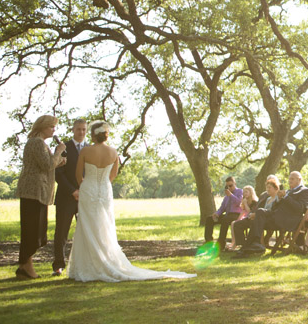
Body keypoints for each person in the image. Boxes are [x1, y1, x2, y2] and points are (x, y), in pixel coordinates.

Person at [67, 121, 195, 281]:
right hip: (105, 190)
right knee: (104, 225)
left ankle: (88, 266)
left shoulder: (86, 151)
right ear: (106, 134)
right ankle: (104, 261)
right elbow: (112, 176)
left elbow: (78, 175)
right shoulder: (113, 152)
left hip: (88, 189)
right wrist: (103, 186)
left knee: (87, 225)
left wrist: (85, 186)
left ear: (93, 134)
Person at [15, 115, 66, 279]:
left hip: (38, 192)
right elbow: (47, 165)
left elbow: (47, 164)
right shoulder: (36, 143)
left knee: (36, 230)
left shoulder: (38, 143)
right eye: (51, 127)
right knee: (33, 231)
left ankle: (23, 266)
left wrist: (58, 160)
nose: (54, 130)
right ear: (42, 127)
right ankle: (26, 266)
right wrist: (58, 152)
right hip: (33, 192)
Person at [238, 171, 308, 254]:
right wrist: (279, 199)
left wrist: (286, 197)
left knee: (259, 214)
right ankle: (252, 245)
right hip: (276, 215)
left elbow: (300, 208)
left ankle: (252, 245)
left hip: (288, 220)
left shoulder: (304, 191)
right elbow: (276, 206)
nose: (290, 181)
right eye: (289, 179)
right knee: (259, 212)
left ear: (299, 179)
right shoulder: (288, 191)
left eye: (292, 179)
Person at [52, 118, 87, 276]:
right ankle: (58, 265)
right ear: (73, 129)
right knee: (61, 232)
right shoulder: (63, 147)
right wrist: (73, 191)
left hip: (85, 198)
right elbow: (58, 173)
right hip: (66, 197)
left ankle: (86, 264)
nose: (81, 132)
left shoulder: (90, 148)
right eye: (78, 129)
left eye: (84, 129)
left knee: (87, 232)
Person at [233, 177, 281, 249]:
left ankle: (253, 244)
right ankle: (242, 245)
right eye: (267, 187)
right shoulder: (267, 198)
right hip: (259, 217)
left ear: (276, 188)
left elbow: (273, 212)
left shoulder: (278, 199)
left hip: (268, 220)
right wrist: (253, 215)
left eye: (269, 187)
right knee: (237, 224)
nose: (267, 189)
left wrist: (257, 215)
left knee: (255, 221)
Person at [205, 176, 243, 250]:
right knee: (209, 219)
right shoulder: (227, 196)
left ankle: (221, 243)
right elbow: (222, 207)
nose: (229, 187)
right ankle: (208, 241)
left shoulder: (239, 191)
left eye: (230, 185)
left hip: (236, 214)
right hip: (228, 214)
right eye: (227, 186)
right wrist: (217, 214)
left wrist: (231, 195)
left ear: (235, 183)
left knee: (225, 220)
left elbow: (239, 202)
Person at [230, 185, 258, 250]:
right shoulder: (246, 201)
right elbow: (243, 212)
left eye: (246, 192)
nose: (244, 194)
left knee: (238, 224)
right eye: (244, 193)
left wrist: (245, 204)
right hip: (246, 218)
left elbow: (250, 212)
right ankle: (240, 243)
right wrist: (238, 220)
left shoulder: (254, 202)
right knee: (235, 223)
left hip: (252, 219)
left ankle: (241, 244)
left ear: (251, 193)